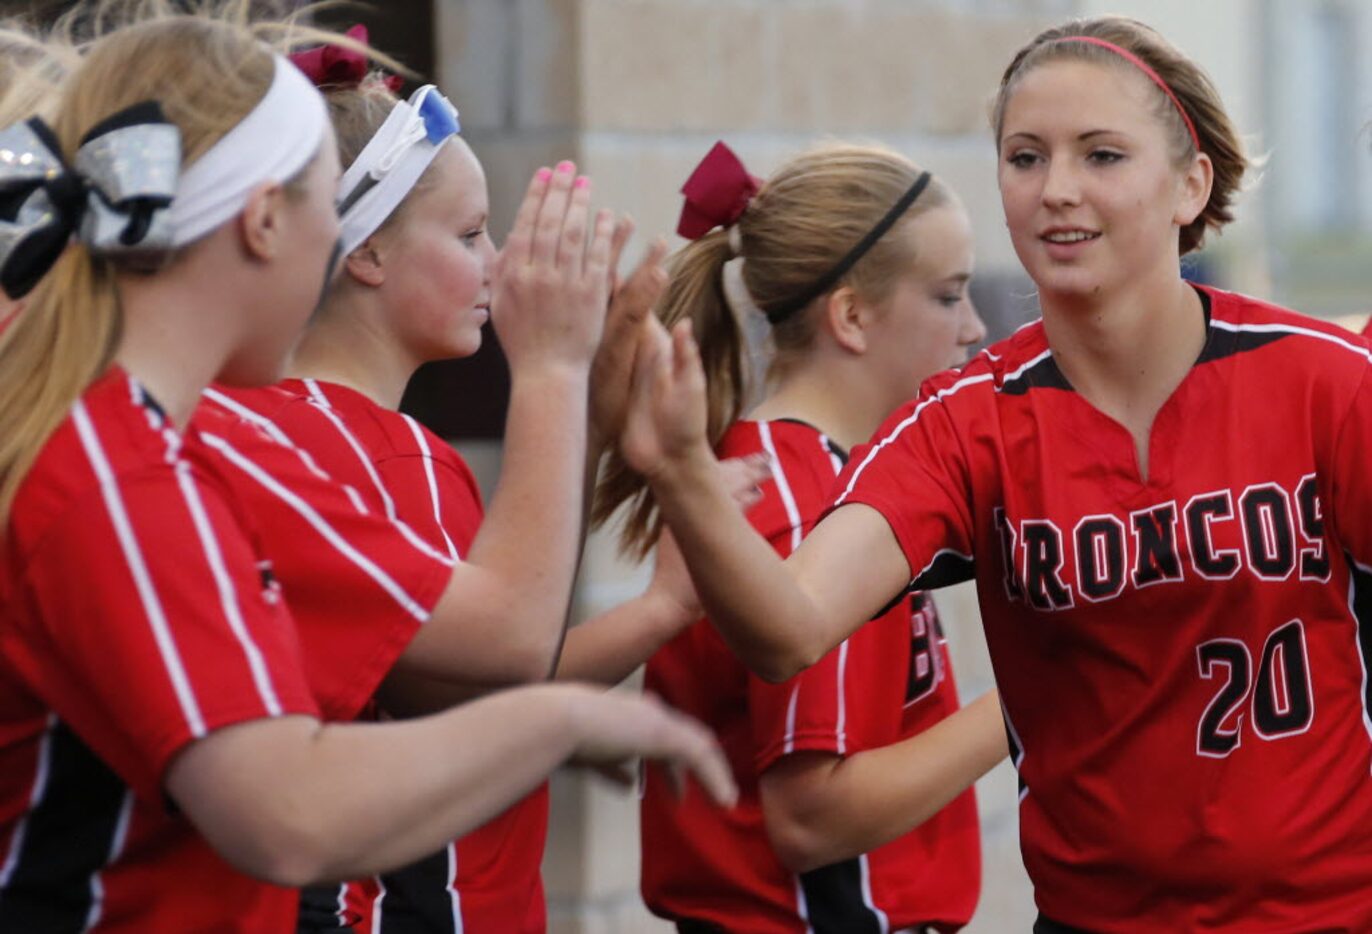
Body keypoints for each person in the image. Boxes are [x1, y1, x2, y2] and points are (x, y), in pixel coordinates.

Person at [621, 15, 1372, 932]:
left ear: (1191, 183)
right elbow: (791, 631)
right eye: (1025, 157)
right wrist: (681, 474)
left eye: (1101, 156)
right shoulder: (961, 419)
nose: (1056, 189)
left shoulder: (1323, 379)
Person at [0, 7, 733, 932]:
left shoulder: (147, 437)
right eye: (323, 211)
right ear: (266, 220)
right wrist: (557, 720)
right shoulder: (116, 466)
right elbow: (286, 812)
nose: (331, 253)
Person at [199, 38, 761, 933]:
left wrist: (584, 421)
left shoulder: (300, 427)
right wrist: (550, 373)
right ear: (367, 252)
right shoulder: (385, 452)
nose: (498, 263)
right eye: (469, 236)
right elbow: (503, 660)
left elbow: (469, 668)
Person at [596, 140, 1005, 933]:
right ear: (851, 317)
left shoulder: (817, 473)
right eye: (950, 296)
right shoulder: (802, 500)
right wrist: (1027, 704)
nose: (975, 327)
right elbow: (811, 817)